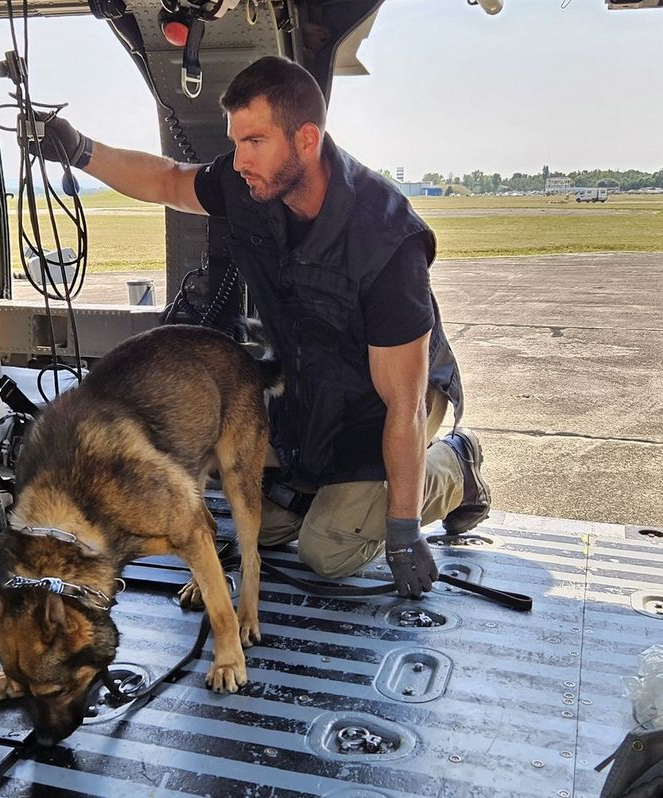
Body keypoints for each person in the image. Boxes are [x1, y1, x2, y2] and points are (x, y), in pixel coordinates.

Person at [25, 55, 490, 598]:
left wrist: (405, 531)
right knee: (256, 517)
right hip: (309, 384)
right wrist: (80, 149)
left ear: (307, 139)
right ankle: (327, 491)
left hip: (388, 400)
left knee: (330, 550)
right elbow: (169, 181)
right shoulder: (252, 184)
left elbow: (404, 407)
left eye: (255, 141)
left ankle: (457, 465)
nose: (239, 159)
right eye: (236, 141)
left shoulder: (385, 241)